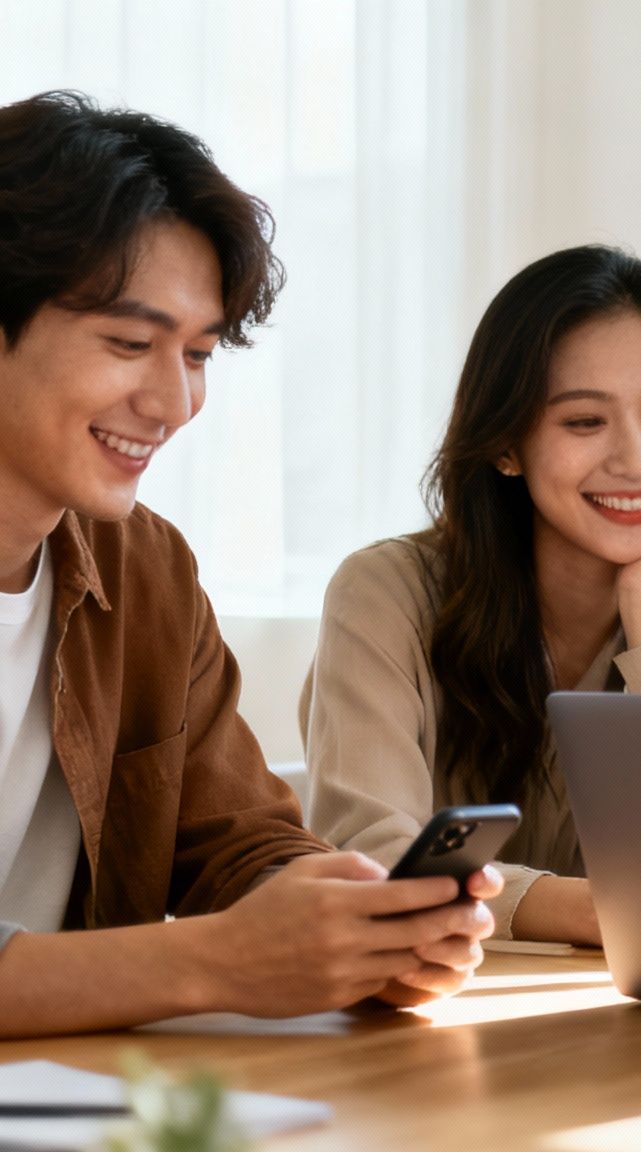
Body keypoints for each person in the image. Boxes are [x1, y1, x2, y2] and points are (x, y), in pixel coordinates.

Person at [0, 91, 497, 1038]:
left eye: (198, 353)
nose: (174, 400)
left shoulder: (147, 573)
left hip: (83, 1104)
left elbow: (238, 840)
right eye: (130, 344)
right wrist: (218, 961)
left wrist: (348, 921)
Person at [304, 245, 641, 947]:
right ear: (505, 443)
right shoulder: (385, 594)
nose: (635, 459)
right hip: (436, 1016)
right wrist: (593, 911)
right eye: (584, 422)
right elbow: (376, 861)